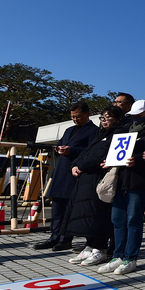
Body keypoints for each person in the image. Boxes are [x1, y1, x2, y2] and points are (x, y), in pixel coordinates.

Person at [98, 100, 145, 275]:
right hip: (122, 179)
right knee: (118, 219)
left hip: (141, 181)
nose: (135, 118)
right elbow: (116, 149)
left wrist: (138, 159)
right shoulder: (127, 128)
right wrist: (109, 160)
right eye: (133, 115)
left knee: (133, 220)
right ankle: (118, 255)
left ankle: (130, 258)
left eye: (138, 115)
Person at [34, 101, 97, 251]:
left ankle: (65, 238)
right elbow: (60, 144)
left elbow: (91, 151)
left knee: (70, 208)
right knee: (57, 208)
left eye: (78, 117)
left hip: (75, 172)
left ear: (87, 114)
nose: (75, 120)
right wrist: (59, 149)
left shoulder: (93, 131)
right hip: (61, 170)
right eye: (73, 117)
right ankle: (54, 236)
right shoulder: (69, 130)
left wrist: (72, 150)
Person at [65, 106, 124, 266]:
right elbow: (85, 153)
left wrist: (82, 165)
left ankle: (100, 249)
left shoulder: (119, 134)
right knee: (86, 216)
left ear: (118, 119)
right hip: (85, 180)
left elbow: (99, 156)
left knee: (98, 216)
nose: (104, 121)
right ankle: (89, 245)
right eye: (102, 118)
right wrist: (74, 165)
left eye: (108, 117)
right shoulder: (98, 134)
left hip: (99, 180)